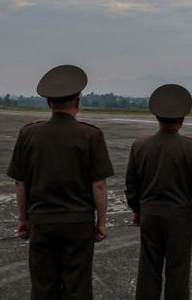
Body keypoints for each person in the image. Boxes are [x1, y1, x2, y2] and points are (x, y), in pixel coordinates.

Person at [7, 64, 114, 299]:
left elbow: (20, 183)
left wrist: (23, 219)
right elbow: (98, 185)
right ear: (78, 101)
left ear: (49, 103)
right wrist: (102, 222)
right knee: (78, 286)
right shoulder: (91, 135)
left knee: (43, 287)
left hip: (42, 222)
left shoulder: (28, 134)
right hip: (78, 223)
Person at [125, 84, 192, 300]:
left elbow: (132, 184)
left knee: (148, 269)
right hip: (179, 217)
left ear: (157, 117)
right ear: (182, 119)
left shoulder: (140, 145)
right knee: (178, 271)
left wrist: (137, 209)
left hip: (150, 214)